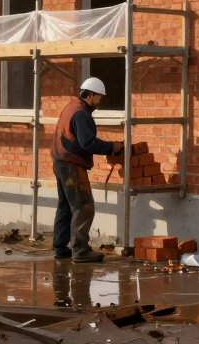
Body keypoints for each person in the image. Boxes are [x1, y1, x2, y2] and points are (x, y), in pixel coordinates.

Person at [51, 76, 123, 263]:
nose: (100, 101)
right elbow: (87, 142)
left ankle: (60, 247)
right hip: (71, 166)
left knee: (66, 206)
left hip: (60, 162)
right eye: (99, 97)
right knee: (84, 207)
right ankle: (80, 251)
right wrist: (111, 147)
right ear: (90, 95)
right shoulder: (81, 113)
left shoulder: (71, 107)